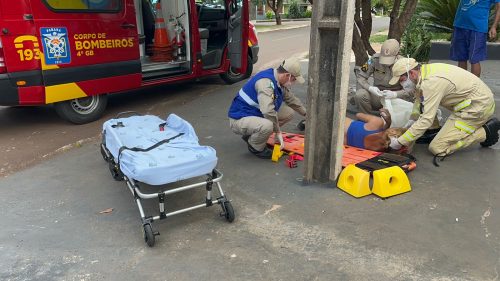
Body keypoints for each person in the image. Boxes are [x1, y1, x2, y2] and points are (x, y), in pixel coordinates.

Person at [387, 57, 500, 164]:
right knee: (426, 110)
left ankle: (485, 132)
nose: (402, 85)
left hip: (477, 108)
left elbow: (426, 119)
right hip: (473, 100)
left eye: (402, 80)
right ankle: (434, 131)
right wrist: (413, 119)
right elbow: (420, 99)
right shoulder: (425, 72)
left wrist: (400, 142)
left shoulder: (431, 83)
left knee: (437, 148)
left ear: (411, 73)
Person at [228, 58, 307, 159]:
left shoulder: (278, 80)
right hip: (239, 119)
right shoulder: (265, 83)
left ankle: (255, 135)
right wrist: (278, 131)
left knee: (288, 113)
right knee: (268, 125)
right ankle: (255, 147)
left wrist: (307, 115)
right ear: (287, 75)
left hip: (254, 114)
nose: (293, 82)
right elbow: (268, 111)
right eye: (294, 79)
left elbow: (292, 100)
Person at [353, 39, 414, 115]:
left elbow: (411, 90)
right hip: (378, 94)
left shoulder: (405, 64)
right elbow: (360, 76)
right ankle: (368, 118)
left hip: (396, 97)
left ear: (397, 53)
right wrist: (370, 88)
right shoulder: (373, 60)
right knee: (360, 95)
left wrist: (395, 94)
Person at [450, 0, 500, 77]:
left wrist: (494, 27)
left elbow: (498, 7)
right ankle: (462, 85)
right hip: (460, 25)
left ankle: (475, 87)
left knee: (474, 59)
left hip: (478, 28)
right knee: (461, 58)